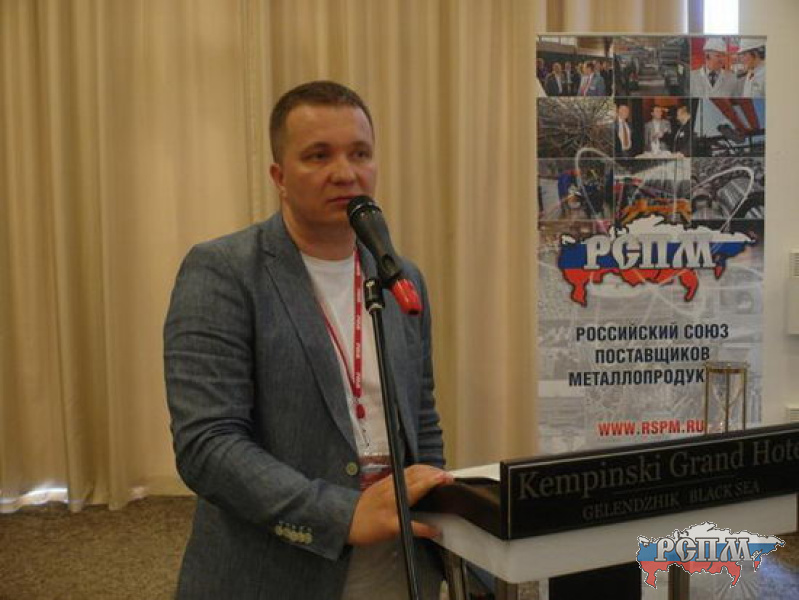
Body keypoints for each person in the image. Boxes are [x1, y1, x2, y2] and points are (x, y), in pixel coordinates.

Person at [164, 80, 450, 599]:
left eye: (360, 153)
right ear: (279, 176)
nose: (345, 173)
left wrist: (443, 521)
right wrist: (341, 515)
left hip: (400, 562)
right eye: (319, 155)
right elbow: (207, 445)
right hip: (278, 568)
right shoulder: (223, 271)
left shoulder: (400, 276)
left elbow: (421, 417)